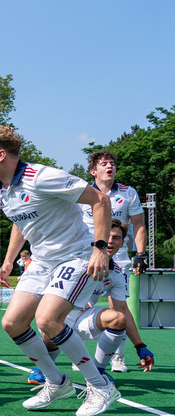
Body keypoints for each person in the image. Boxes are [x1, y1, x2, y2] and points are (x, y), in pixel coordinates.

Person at [0, 124, 120, 416]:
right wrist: (8, 260)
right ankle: (56, 382)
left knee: (48, 321)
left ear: (0, 155)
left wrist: (99, 247)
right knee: (12, 323)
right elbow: (21, 222)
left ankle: (101, 385)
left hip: (74, 256)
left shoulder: (41, 177)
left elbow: (100, 200)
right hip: (41, 261)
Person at [28, 219, 152, 383]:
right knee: (51, 331)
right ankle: (43, 369)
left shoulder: (116, 274)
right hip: (56, 315)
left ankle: (98, 371)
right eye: (107, 236)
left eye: (116, 238)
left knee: (118, 318)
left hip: (83, 317)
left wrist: (140, 345)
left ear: (122, 244)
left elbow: (122, 309)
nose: (110, 241)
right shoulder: (76, 259)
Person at [80, 150, 150, 372]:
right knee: (79, 304)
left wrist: (140, 254)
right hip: (87, 257)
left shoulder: (128, 193)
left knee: (118, 307)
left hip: (118, 257)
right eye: (104, 163)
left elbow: (138, 224)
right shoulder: (83, 192)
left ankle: (118, 357)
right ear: (93, 171)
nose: (110, 166)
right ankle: (79, 355)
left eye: (112, 163)